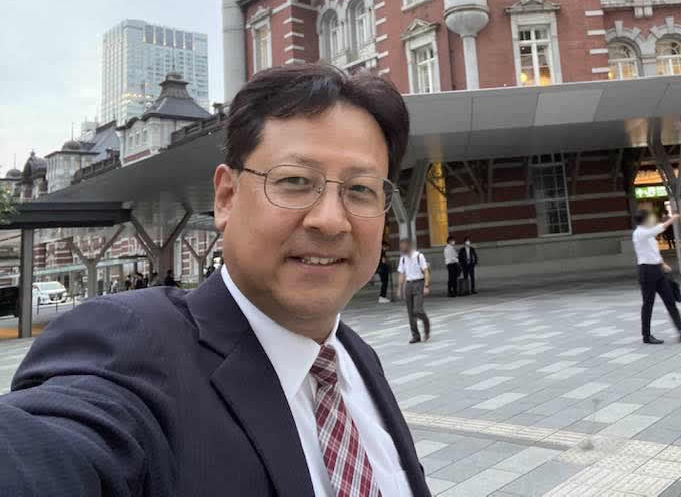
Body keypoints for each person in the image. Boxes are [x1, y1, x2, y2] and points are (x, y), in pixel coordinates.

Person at [0, 63, 431, 496]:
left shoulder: (357, 359)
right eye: (296, 181)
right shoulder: (134, 353)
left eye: (360, 190)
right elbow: (52, 450)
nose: (332, 221)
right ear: (226, 197)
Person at [633, 208, 681, 345]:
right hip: (647, 272)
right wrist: (672, 219)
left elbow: (652, 252)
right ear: (644, 220)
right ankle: (646, 335)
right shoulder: (639, 233)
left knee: (670, 301)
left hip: (657, 270)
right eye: (649, 217)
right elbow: (657, 229)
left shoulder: (647, 234)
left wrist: (662, 264)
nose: (651, 219)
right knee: (648, 304)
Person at [397, 238, 431, 343]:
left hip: (419, 284)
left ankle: (426, 325)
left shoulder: (419, 256)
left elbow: (426, 272)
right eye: (401, 247)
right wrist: (399, 288)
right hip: (409, 285)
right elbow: (401, 274)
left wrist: (426, 286)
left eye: (404, 246)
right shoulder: (403, 258)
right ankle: (416, 336)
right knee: (410, 312)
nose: (402, 248)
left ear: (409, 246)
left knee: (417, 310)